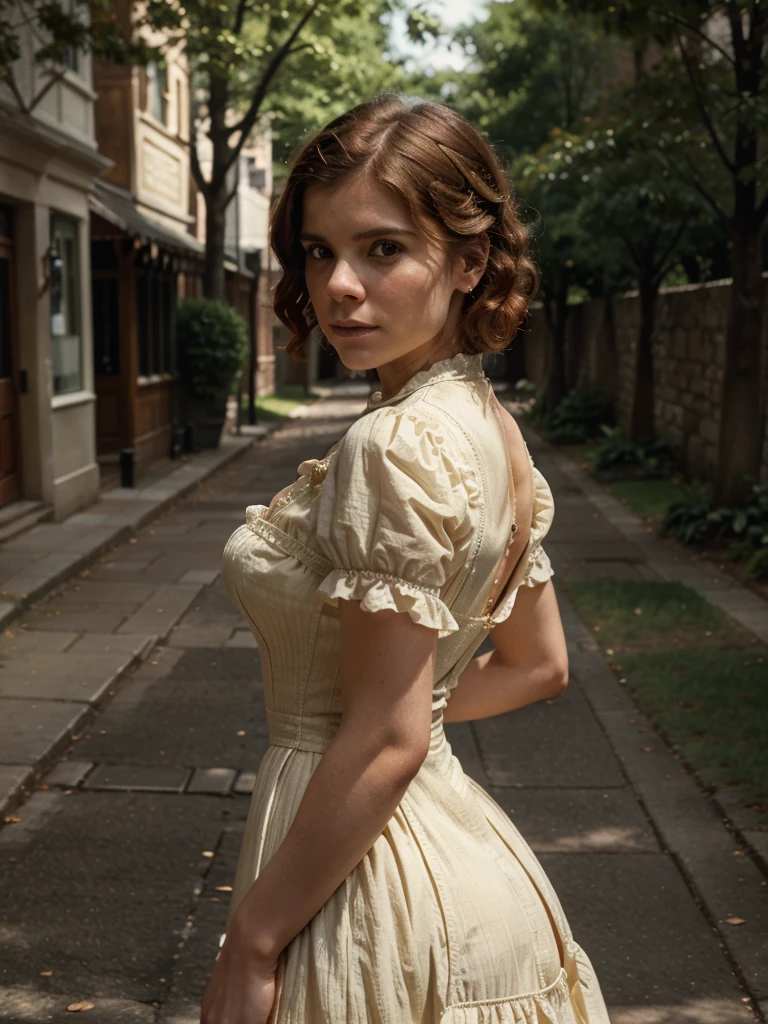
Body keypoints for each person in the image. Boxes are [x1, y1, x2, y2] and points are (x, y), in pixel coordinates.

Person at [202, 94, 610, 1024]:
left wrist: (254, 941)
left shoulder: (394, 446)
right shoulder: (492, 430)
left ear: (470, 262)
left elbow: (391, 736)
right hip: (454, 849)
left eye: (383, 249)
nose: (339, 285)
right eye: (318, 251)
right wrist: (399, 718)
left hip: (365, 888)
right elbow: (537, 666)